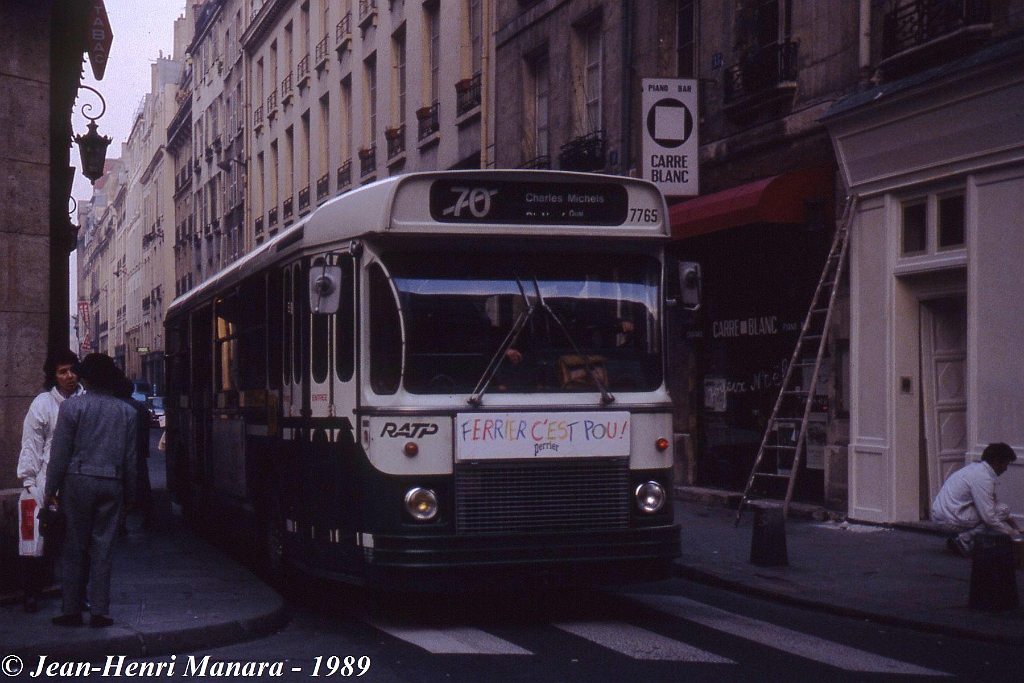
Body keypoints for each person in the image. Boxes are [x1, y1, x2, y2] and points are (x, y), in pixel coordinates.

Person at [45, 353, 138, 628]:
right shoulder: (127, 413)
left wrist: (51, 487)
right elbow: (131, 461)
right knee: (103, 548)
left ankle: (71, 610)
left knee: (74, 546)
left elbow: (59, 453)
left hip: (77, 481)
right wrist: (130, 497)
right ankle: (99, 611)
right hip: (112, 483)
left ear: (85, 378)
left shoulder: (72, 408)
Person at [16, 350, 81, 613]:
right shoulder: (43, 404)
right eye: (62, 371)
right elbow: (31, 444)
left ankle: (76, 594)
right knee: (34, 540)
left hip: (76, 480)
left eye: (73, 370)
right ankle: (31, 593)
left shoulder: (84, 400)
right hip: (43, 481)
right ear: (53, 376)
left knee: (75, 542)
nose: (69, 376)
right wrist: (29, 481)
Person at [931, 442, 1020, 557]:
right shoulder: (983, 479)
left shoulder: (975, 469)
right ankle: (964, 539)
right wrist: (1013, 534)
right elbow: (989, 518)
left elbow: (995, 504)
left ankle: (962, 537)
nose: (1005, 469)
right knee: (995, 514)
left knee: (1001, 509)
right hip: (949, 517)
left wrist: (1016, 528)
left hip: (942, 514)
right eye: (1005, 464)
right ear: (996, 461)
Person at [114, 375, 153, 530]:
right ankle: (148, 518)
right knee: (143, 486)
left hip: (122, 452)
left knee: (120, 488)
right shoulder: (140, 407)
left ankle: (121, 524)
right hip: (139, 451)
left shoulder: (117, 406)